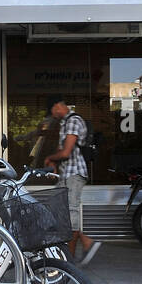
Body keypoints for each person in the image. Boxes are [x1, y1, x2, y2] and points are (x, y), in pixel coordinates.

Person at [42, 98, 102, 266]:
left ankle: (69, 257)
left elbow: (67, 152)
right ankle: (85, 242)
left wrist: (49, 158)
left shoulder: (74, 121)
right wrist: (54, 162)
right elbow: (65, 151)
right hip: (66, 173)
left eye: (52, 112)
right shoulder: (66, 123)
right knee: (57, 207)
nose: (52, 116)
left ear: (57, 105)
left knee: (70, 211)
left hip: (74, 173)